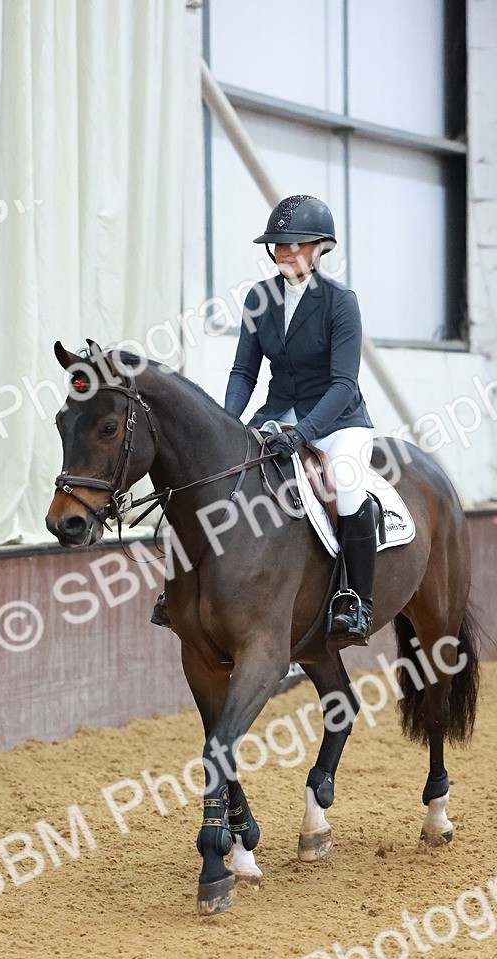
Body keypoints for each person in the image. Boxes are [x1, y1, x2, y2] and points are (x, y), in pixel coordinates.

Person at [152, 194, 376, 646]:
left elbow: (343, 384)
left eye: (294, 245)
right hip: (278, 414)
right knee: (225, 480)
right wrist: (223, 424)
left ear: (320, 247)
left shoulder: (340, 302)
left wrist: (305, 433)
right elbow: (243, 371)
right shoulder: (260, 298)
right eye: (278, 245)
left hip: (338, 421)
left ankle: (355, 598)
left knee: (348, 487)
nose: (284, 253)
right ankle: (184, 589)